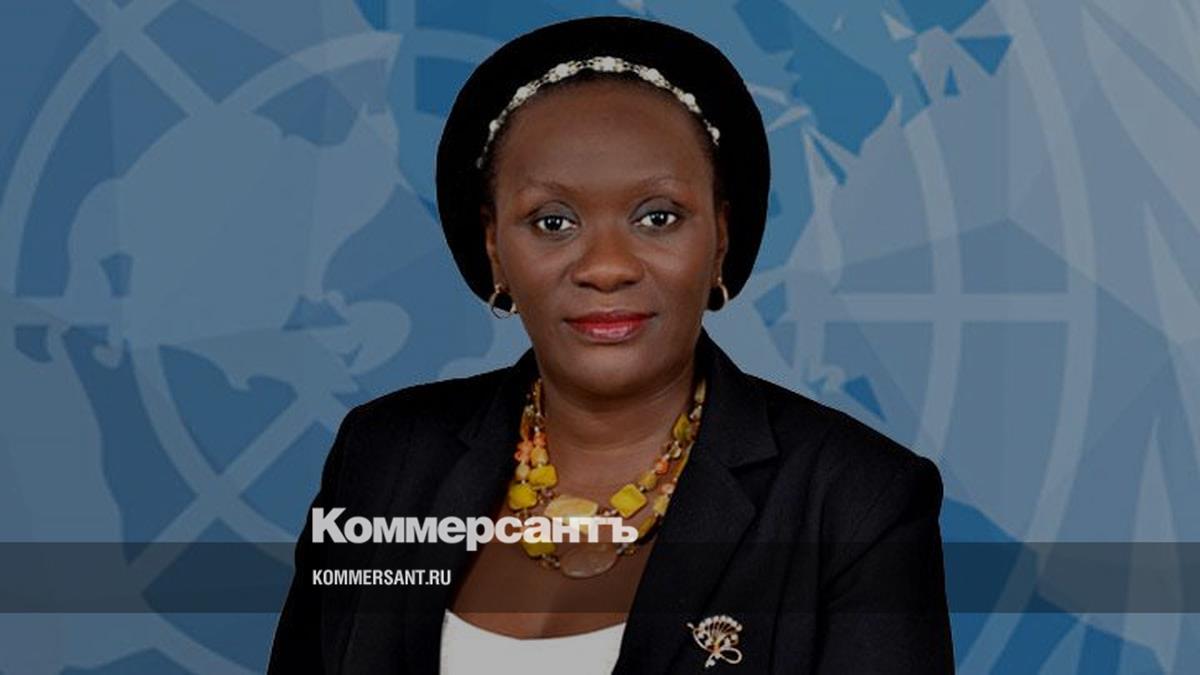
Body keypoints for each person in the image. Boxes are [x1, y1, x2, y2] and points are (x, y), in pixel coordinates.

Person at [268, 15, 953, 674]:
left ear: (720, 237)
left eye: (658, 217)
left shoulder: (854, 502)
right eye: (553, 222)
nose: (605, 267)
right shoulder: (382, 458)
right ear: (493, 247)